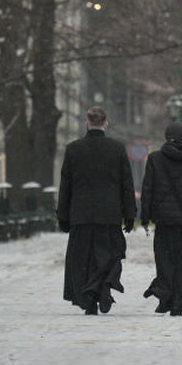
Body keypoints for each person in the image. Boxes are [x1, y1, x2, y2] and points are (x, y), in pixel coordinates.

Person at [56, 105, 136, 315]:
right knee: (109, 255)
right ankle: (104, 287)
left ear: (86, 123)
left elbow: (66, 186)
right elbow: (126, 184)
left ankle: (88, 296)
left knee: (83, 258)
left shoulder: (74, 149)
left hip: (81, 214)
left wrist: (62, 215)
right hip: (109, 214)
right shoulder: (117, 148)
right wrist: (130, 213)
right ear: (105, 124)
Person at [139, 122, 182, 316]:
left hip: (162, 219)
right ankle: (180, 301)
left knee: (164, 259)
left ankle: (165, 295)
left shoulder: (154, 159)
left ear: (166, 136)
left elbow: (147, 190)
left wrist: (145, 216)